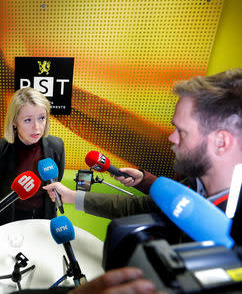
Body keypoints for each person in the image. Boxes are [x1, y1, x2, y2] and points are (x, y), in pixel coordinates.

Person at [44, 68, 242, 219]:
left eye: (182, 132)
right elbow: (140, 207)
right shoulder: (192, 184)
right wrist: (71, 196)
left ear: (221, 142)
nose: (172, 138)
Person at [0, 87, 65, 226]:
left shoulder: (56, 145)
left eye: (42, 118)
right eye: (28, 120)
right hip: (10, 218)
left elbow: (57, 178)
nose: (37, 127)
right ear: (14, 122)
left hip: (45, 217)